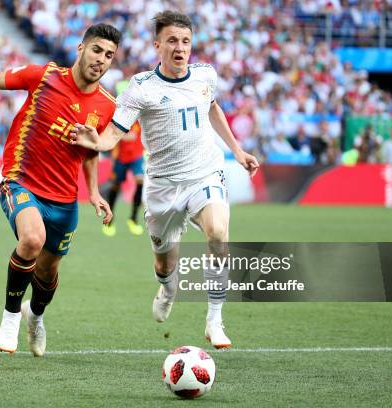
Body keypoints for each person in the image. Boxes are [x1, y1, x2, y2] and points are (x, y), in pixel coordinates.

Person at [70, 11, 259, 349]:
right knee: (164, 261)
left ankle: (215, 319)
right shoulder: (141, 88)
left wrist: (237, 150)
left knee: (218, 233)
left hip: (204, 173)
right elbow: (116, 130)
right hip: (162, 186)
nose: (180, 48)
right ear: (157, 45)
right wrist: (96, 142)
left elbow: (212, 108)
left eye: (185, 41)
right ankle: (169, 289)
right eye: (172, 40)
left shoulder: (205, 76)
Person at [0, 23, 121, 357]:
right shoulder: (43, 76)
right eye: (96, 50)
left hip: (64, 200)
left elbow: (91, 151)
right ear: (81, 49)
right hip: (21, 181)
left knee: (48, 274)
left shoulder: (106, 105)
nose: (101, 60)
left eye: (109, 55)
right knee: (31, 239)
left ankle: (35, 316)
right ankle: (11, 316)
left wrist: (93, 192)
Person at [102, 121, 145, 236]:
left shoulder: (140, 117)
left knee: (140, 180)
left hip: (137, 156)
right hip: (121, 158)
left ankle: (133, 218)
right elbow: (111, 132)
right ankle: (110, 218)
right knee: (116, 186)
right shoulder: (121, 118)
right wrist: (123, 136)